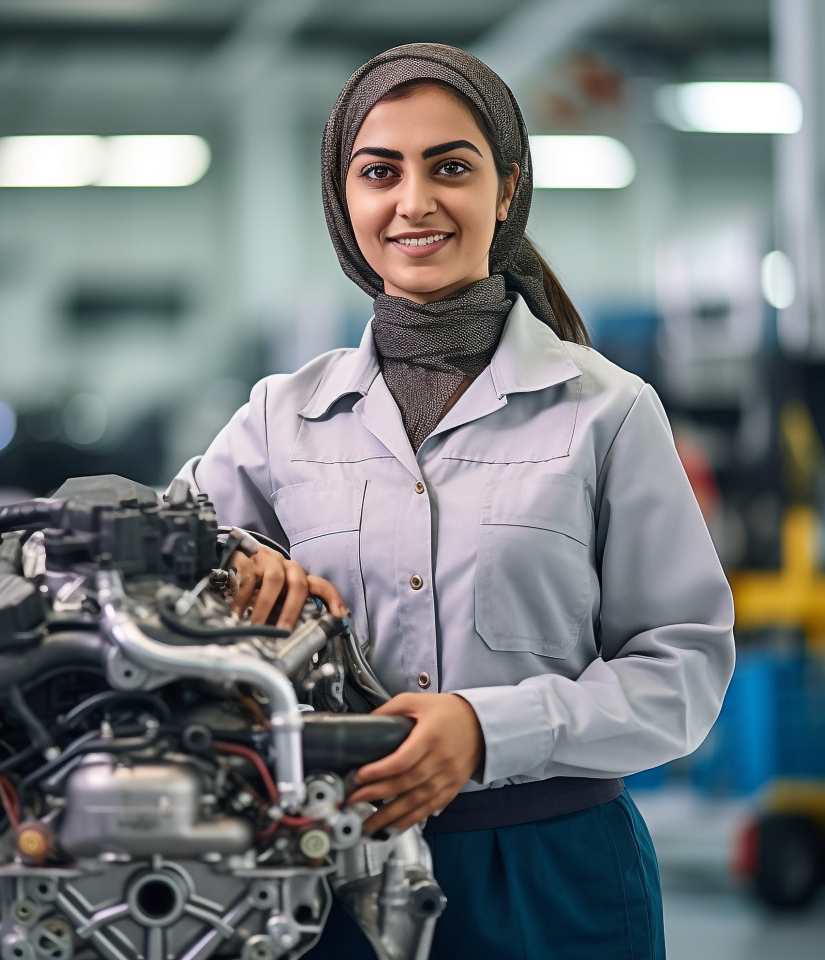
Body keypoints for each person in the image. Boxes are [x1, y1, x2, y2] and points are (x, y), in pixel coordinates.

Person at [171, 42, 735, 960]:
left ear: (506, 189)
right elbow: (157, 558)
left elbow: (685, 674)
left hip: (554, 881)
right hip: (324, 882)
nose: (414, 202)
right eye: (379, 172)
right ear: (342, 199)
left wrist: (486, 733)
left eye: (452, 168)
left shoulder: (608, 412)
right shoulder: (282, 418)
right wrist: (234, 561)